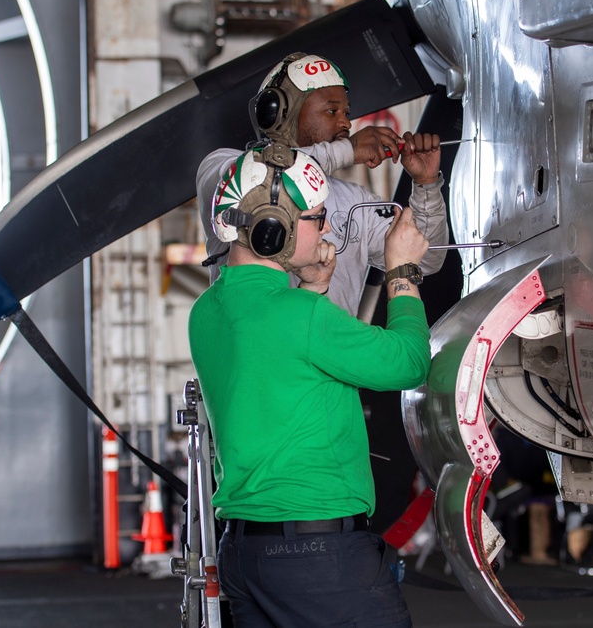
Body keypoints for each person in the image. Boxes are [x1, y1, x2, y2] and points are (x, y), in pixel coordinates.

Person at [188, 141, 431, 627]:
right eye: (316, 217)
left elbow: (276, 363)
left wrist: (314, 286)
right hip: (320, 558)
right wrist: (403, 271)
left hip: (246, 554)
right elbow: (407, 362)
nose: (325, 228)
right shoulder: (303, 317)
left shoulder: (206, 311)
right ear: (271, 228)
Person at [197, 51, 449, 316]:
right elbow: (267, 176)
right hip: (261, 352)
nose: (345, 122)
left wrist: (426, 185)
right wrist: (347, 150)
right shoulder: (224, 171)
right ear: (279, 115)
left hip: (331, 356)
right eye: (332, 110)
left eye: (346, 112)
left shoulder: (357, 203)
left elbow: (428, 258)